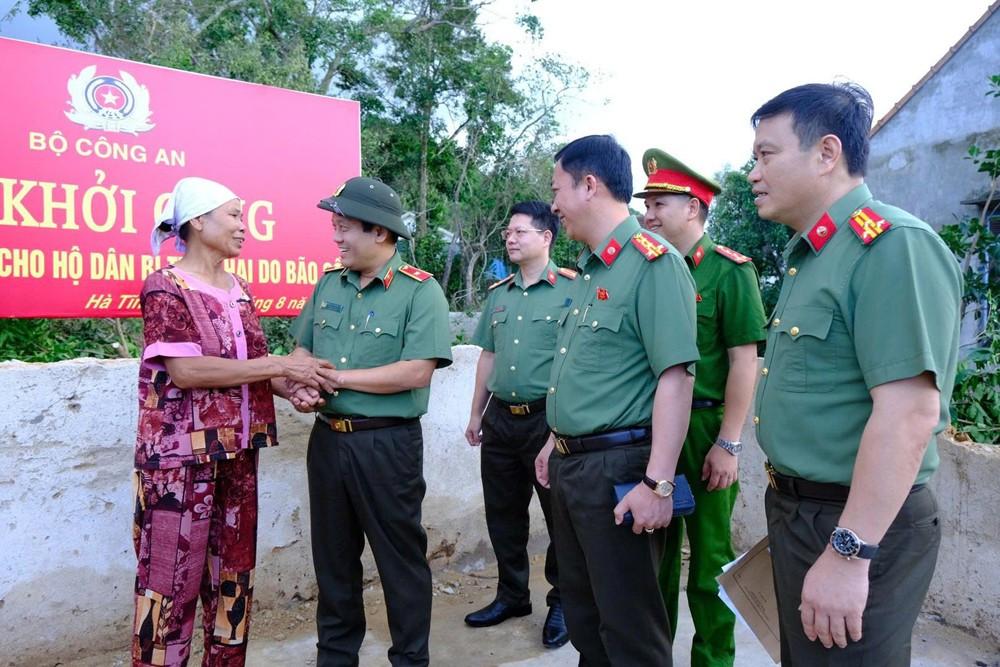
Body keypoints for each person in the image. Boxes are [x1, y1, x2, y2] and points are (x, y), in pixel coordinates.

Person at [749, 82, 962, 664]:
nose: (753, 172)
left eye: (766, 155)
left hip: (857, 522)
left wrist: (848, 552)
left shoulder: (892, 247)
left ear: (826, 153)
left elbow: (909, 413)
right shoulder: (813, 256)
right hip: (801, 513)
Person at [133, 176, 331, 667]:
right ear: (198, 222)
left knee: (233, 580)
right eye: (235, 216)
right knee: (169, 582)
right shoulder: (166, 285)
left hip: (238, 454)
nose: (245, 227)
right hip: (178, 463)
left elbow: (256, 369)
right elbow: (187, 370)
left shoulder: (239, 290)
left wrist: (297, 391)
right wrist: (282, 366)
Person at [535, 134, 700, 665]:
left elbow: (676, 377)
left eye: (557, 189)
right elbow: (588, 374)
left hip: (621, 471)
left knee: (630, 631)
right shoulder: (587, 271)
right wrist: (552, 442)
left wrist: (658, 482)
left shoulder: (654, 263)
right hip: (572, 467)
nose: (554, 205)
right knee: (586, 620)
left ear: (590, 184)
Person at [287, 176, 453, 667]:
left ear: (379, 232)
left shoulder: (420, 293)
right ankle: (335, 658)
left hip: (387, 446)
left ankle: (410, 659)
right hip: (329, 443)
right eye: (335, 227)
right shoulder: (328, 284)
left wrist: (334, 379)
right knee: (333, 561)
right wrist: (301, 381)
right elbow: (303, 349)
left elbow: (415, 371)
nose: (337, 238)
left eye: (345, 228)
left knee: (399, 561)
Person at [635, 149, 767, 667]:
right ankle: (654, 656)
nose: (648, 214)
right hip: (652, 428)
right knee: (654, 558)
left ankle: (713, 662)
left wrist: (729, 442)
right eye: (646, 203)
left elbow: (743, 362)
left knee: (710, 560)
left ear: (693, 207)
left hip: (708, 427)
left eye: (659, 203)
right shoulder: (649, 269)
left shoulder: (729, 272)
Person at [463, 201, 573, 648]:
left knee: (559, 517)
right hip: (501, 421)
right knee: (503, 515)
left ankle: (563, 601)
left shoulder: (572, 290)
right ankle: (512, 595)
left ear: (546, 237)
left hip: (548, 423)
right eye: (508, 232)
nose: (510, 238)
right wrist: (475, 413)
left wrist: (559, 430)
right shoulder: (499, 294)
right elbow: (487, 355)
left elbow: (577, 364)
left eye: (520, 232)